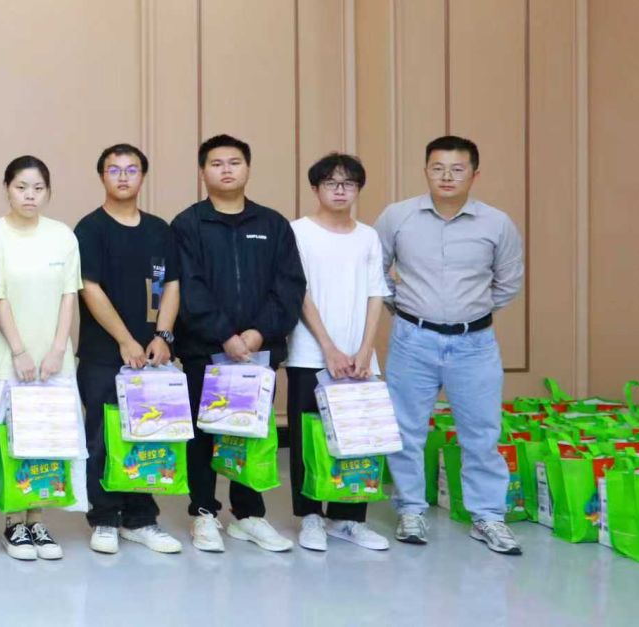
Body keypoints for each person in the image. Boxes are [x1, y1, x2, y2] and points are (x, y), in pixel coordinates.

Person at [378, 136, 526, 556]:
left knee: (481, 432)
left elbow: (508, 282)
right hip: (412, 338)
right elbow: (377, 271)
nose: (446, 176)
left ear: (474, 174)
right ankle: (410, 509)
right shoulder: (397, 216)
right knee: (406, 430)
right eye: (437, 168)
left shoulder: (497, 223)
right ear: (425, 170)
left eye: (457, 169)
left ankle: (488, 516)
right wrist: (407, 308)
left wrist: (468, 312)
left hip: (474, 342)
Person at [171, 134, 305, 554]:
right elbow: (187, 287)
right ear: (202, 172)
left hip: (258, 352)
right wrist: (224, 335)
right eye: (216, 163)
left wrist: (257, 332)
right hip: (205, 350)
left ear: (248, 168)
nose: (226, 170)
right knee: (203, 433)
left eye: (234, 162)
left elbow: (289, 285)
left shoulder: (273, 224)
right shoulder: (188, 224)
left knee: (252, 432)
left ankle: (249, 515)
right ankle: (203, 512)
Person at [72, 144, 185, 556]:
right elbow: (89, 287)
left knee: (148, 436)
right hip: (105, 356)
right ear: (102, 176)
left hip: (153, 356)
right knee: (102, 438)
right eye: (114, 170)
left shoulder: (159, 230)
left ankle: (140, 519)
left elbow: (171, 284)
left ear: (143, 176)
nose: (123, 177)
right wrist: (124, 339)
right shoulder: (90, 229)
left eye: (131, 169)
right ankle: (104, 518)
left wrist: (163, 336)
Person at [0, 155, 86, 562]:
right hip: (7, 357)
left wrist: (57, 348)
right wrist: (20, 351)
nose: (30, 195)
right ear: (7, 189)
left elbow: (69, 295)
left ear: (49, 192)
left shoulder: (63, 236)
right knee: (10, 439)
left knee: (47, 439)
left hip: (54, 360)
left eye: (38, 188)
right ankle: (13, 522)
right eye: (21, 187)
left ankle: (37, 518)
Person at [288, 152, 392, 553]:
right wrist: (329, 348)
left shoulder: (368, 236)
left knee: (359, 437)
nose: (340, 190)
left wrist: (366, 350)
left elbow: (376, 293)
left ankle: (349, 519)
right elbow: (300, 292)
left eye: (348, 183)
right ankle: (311, 517)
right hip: (309, 353)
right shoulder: (298, 232)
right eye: (331, 183)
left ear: (358, 189)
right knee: (308, 438)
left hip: (360, 356)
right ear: (315, 189)